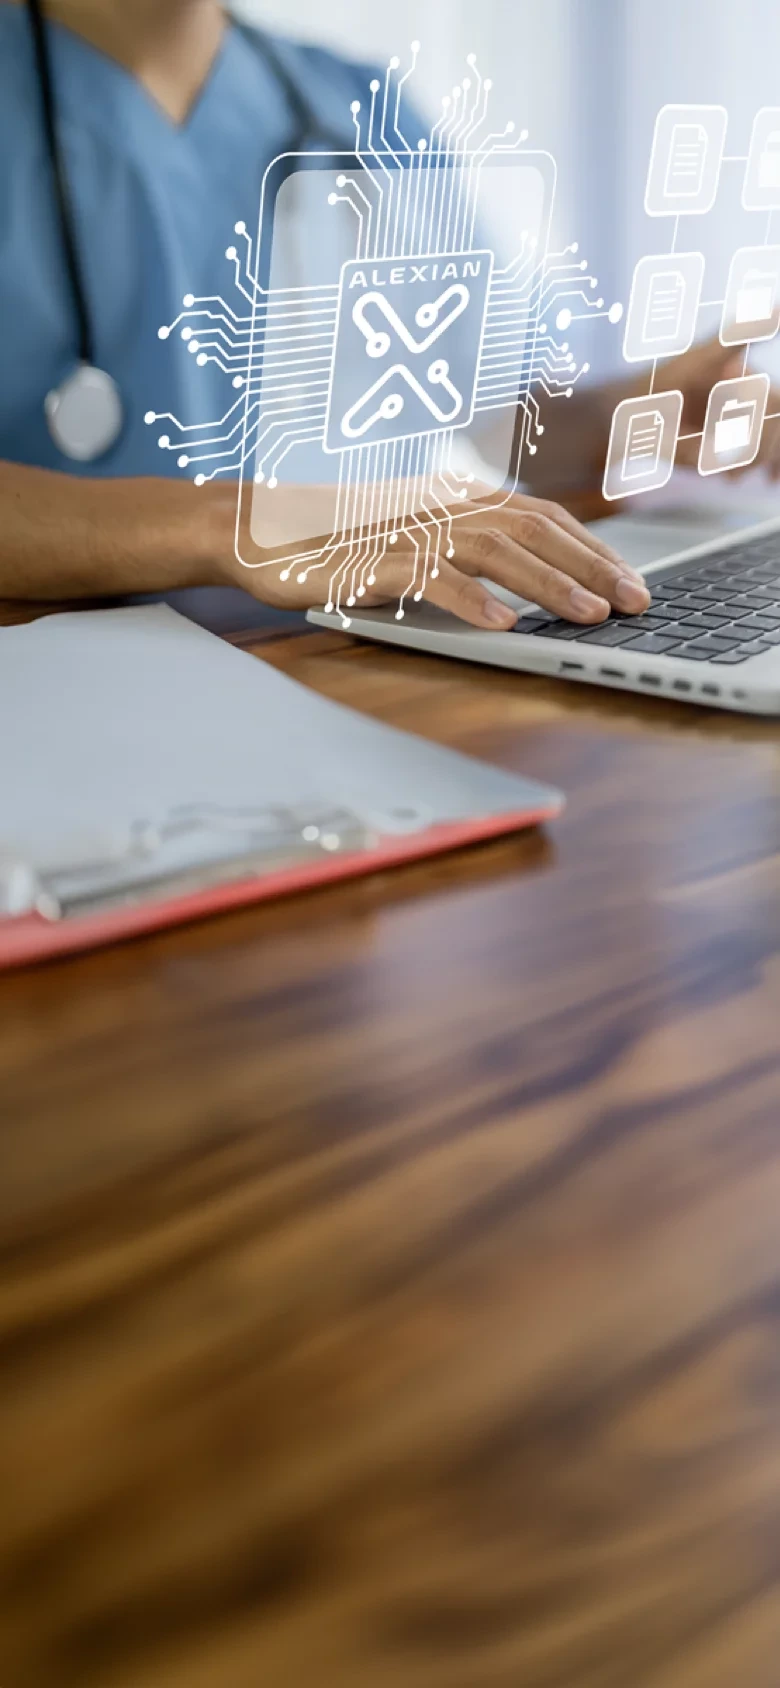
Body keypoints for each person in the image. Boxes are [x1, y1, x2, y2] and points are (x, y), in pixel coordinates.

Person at [0, 0, 776, 632]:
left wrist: (635, 415)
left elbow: (502, 417)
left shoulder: (363, 111)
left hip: (361, 662)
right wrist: (231, 524)